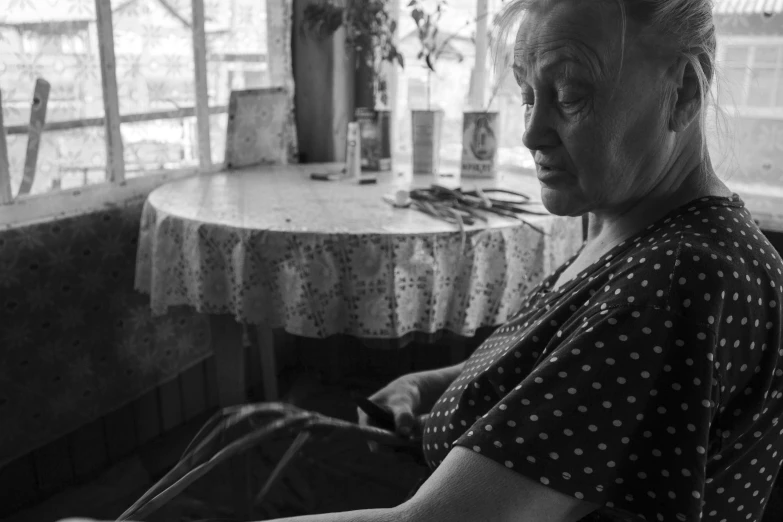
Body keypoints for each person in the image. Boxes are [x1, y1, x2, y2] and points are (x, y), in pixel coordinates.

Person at [60, 0, 783, 520]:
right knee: (246, 430)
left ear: (681, 91)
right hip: (421, 456)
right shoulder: (640, 228)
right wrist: (436, 380)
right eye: (528, 94)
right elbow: (557, 371)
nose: (531, 131)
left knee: (245, 453)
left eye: (569, 97)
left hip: (423, 494)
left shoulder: (683, 280)